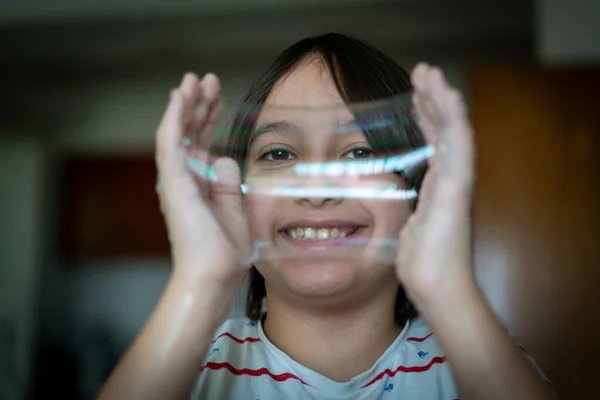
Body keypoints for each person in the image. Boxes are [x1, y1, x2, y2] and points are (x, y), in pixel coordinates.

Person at [96, 33, 556, 400]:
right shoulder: (180, 369)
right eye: (278, 153)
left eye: (360, 152)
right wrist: (201, 283)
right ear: (236, 197)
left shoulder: (479, 363)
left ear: (418, 193)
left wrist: (447, 289)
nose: (316, 189)